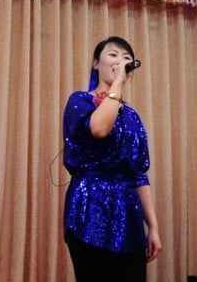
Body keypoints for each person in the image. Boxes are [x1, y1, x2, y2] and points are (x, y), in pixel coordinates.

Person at [62, 36, 162, 282]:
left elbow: (138, 174)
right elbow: (99, 129)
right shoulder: (80, 100)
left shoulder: (132, 116)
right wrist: (117, 83)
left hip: (128, 210)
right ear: (96, 63)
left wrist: (153, 227)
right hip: (90, 204)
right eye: (113, 55)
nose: (121, 61)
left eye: (127, 58)